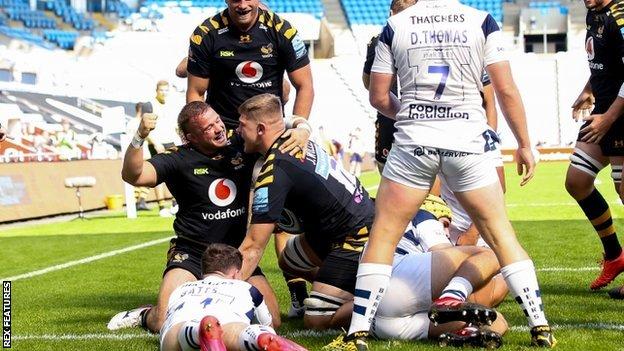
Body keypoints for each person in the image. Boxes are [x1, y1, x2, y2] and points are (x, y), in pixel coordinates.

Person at [326, 0, 556, 349]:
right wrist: (525, 143)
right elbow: (505, 89)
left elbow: (377, 95)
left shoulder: (396, 25)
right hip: (466, 140)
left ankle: (357, 331)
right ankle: (540, 326)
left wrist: (413, 115)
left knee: (383, 236)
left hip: (414, 142)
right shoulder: (481, 21)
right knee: (500, 235)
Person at [109, 101, 286, 333]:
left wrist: (302, 129)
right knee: (163, 322)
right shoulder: (178, 158)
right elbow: (134, 175)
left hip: (235, 254)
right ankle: (144, 314)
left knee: (272, 319)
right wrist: (139, 136)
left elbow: (274, 126)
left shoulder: (240, 142)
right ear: (190, 137)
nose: (218, 129)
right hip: (192, 252)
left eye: (217, 121)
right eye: (208, 128)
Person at [235, 94, 375, 330]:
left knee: (317, 319)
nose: (238, 130)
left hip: (355, 236)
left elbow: (252, 247)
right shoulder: (294, 137)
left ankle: (380, 297)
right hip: (351, 220)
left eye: (242, 125)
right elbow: (294, 120)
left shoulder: (274, 172)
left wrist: (222, 289)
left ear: (260, 129)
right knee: (290, 259)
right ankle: (343, 286)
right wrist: (303, 126)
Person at [564, 0, 624, 291]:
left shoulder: (620, 14)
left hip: (620, 114)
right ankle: (614, 255)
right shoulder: (595, 12)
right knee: (577, 181)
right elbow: (607, 61)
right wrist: (589, 90)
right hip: (604, 109)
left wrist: (610, 117)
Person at [185, 0, 313, 129]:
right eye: (236, 0)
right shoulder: (204, 34)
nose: (243, 5)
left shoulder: (284, 31)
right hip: (224, 130)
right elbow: (196, 91)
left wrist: (299, 129)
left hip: (270, 130)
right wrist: (201, 132)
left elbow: (304, 86)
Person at [159, 243, 306, 351]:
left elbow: (168, 317)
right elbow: (269, 326)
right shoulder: (247, 288)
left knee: (174, 335)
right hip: (228, 320)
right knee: (236, 332)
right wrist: (265, 332)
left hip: (185, 324)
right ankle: (257, 338)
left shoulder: (181, 288)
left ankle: (196, 331)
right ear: (236, 273)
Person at [145, 80, 181, 217]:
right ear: (156, 90)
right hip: (157, 143)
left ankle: (175, 203)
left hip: (171, 142)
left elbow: (175, 126)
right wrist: (155, 143)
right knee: (159, 174)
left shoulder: (171, 105)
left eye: (166, 90)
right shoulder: (150, 105)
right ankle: (161, 206)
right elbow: (146, 127)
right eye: (162, 90)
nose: (164, 93)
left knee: (176, 173)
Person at [127, 102, 152, 211]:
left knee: (137, 178)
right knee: (148, 177)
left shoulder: (129, 123)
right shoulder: (141, 122)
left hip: (133, 153)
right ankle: (141, 200)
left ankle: (137, 202)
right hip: (144, 152)